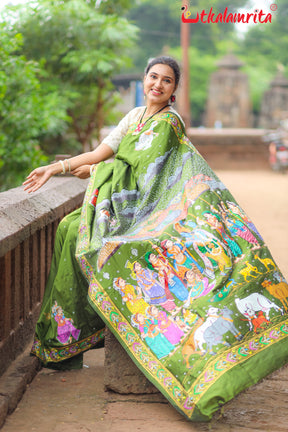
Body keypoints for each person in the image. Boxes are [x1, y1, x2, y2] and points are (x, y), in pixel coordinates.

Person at [23, 56, 288, 422]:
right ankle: (67, 344)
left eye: (167, 81)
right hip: (128, 203)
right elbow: (104, 152)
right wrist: (56, 167)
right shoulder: (134, 117)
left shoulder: (170, 123)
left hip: (153, 209)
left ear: (174, 90)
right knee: (69, 230)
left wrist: (99, 170)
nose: (157, 85)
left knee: (96, 244)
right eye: (153, 77)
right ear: (145, 79)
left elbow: (146, 169)